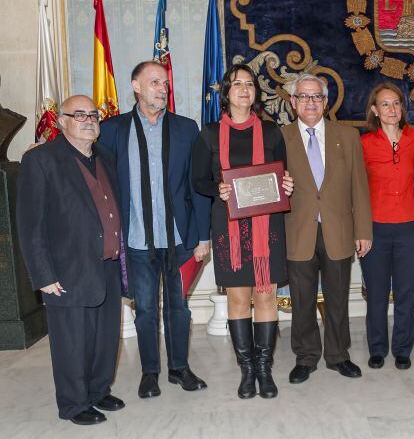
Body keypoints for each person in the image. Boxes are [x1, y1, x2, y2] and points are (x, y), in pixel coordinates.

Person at [99, 61, 210, 398]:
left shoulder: (186, 129)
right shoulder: (111, 130)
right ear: (135, 86)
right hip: (135, 241)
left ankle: (179, 368)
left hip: (179, 240)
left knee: (179, 307)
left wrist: (202, 236)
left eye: (165, 83)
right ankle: (150, 373)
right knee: (145, 310)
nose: (163, 88)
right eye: (154, 82)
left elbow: (198, 186)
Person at [17, 95, 126, 425]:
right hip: (64, 270)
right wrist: (43, 274)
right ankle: (74, 404)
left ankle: (97, 391)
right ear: (61, 121)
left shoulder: (105, 156)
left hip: (107, 263)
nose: (88, 119)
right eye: (78, 114)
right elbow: (29, 223)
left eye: (93, 114)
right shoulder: (42, 160)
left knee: (105, 336)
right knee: (72, 342)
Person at [192, 64, 294, 399]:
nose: (244, 89)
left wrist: (287, 184)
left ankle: (265, 371)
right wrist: (218, 188)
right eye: (237, 84)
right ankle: (246, 371)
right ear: (226, 93)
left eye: (249, 84)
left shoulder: (271, 132)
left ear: (255, 93)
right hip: (229, 226)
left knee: (265, 294)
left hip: (268, 227)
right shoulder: (208, 134)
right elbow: (198, 181)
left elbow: (282, 173)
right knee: (238, 296)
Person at [280, 73, 373, 383]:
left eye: (316, 96)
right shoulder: (279, 138)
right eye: (304, 97)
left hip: (339, 231)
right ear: (293, 102)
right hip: (297, 232)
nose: (310, 102)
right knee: (302, 299)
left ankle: (337, 355)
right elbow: (269, 186)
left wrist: (364, 230)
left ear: (325, 101)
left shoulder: (346, 137)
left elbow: (359, 187)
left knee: (337, 298)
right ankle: (306, 356)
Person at [360, 82, 414, 370]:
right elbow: (356, 189)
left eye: (396, 103)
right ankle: (377, 348)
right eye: (385, 104)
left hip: (410, 226)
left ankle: (402, 348)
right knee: (376, 292)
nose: (391, 109)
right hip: (375, 227)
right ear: (375, 110)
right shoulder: (364, 143)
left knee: (406, 292)